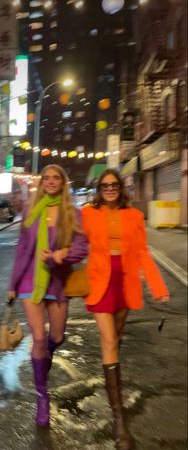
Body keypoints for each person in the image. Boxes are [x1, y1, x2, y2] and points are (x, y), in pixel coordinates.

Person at [81, 169, 169, 450]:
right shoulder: (88, 213)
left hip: (126, 280)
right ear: (99, 189)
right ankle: (119, 421)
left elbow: (142, 251)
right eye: (104, 185)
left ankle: (110, 370)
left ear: (120, 187)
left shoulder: (133, 215)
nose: (109, 189)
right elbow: (75, 241)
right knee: (109, 340)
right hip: (100, 282)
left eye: (114, 184)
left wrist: (158, 286)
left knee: (115, 339)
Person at [7, 164, 87, 427]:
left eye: (56, 178)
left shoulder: (73, 214)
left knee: (57, 337)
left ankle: (44, 357)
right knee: (39, 338)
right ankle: (43, 396)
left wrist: (63, 255)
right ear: (41, 184)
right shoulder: (31, 210)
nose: (51, 182)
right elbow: (22, 249)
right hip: (31, 280)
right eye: (47, 178)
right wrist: (13, 283)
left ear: (63, 183)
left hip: (58, 281)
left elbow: (81, 247)